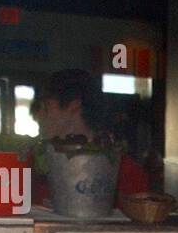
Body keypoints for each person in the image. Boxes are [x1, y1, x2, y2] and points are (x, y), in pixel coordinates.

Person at [29, 69, 149, 205]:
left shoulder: (124, 171)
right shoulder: (34, 164)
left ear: (74, 106)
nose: (37, 116)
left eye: (45, 106)